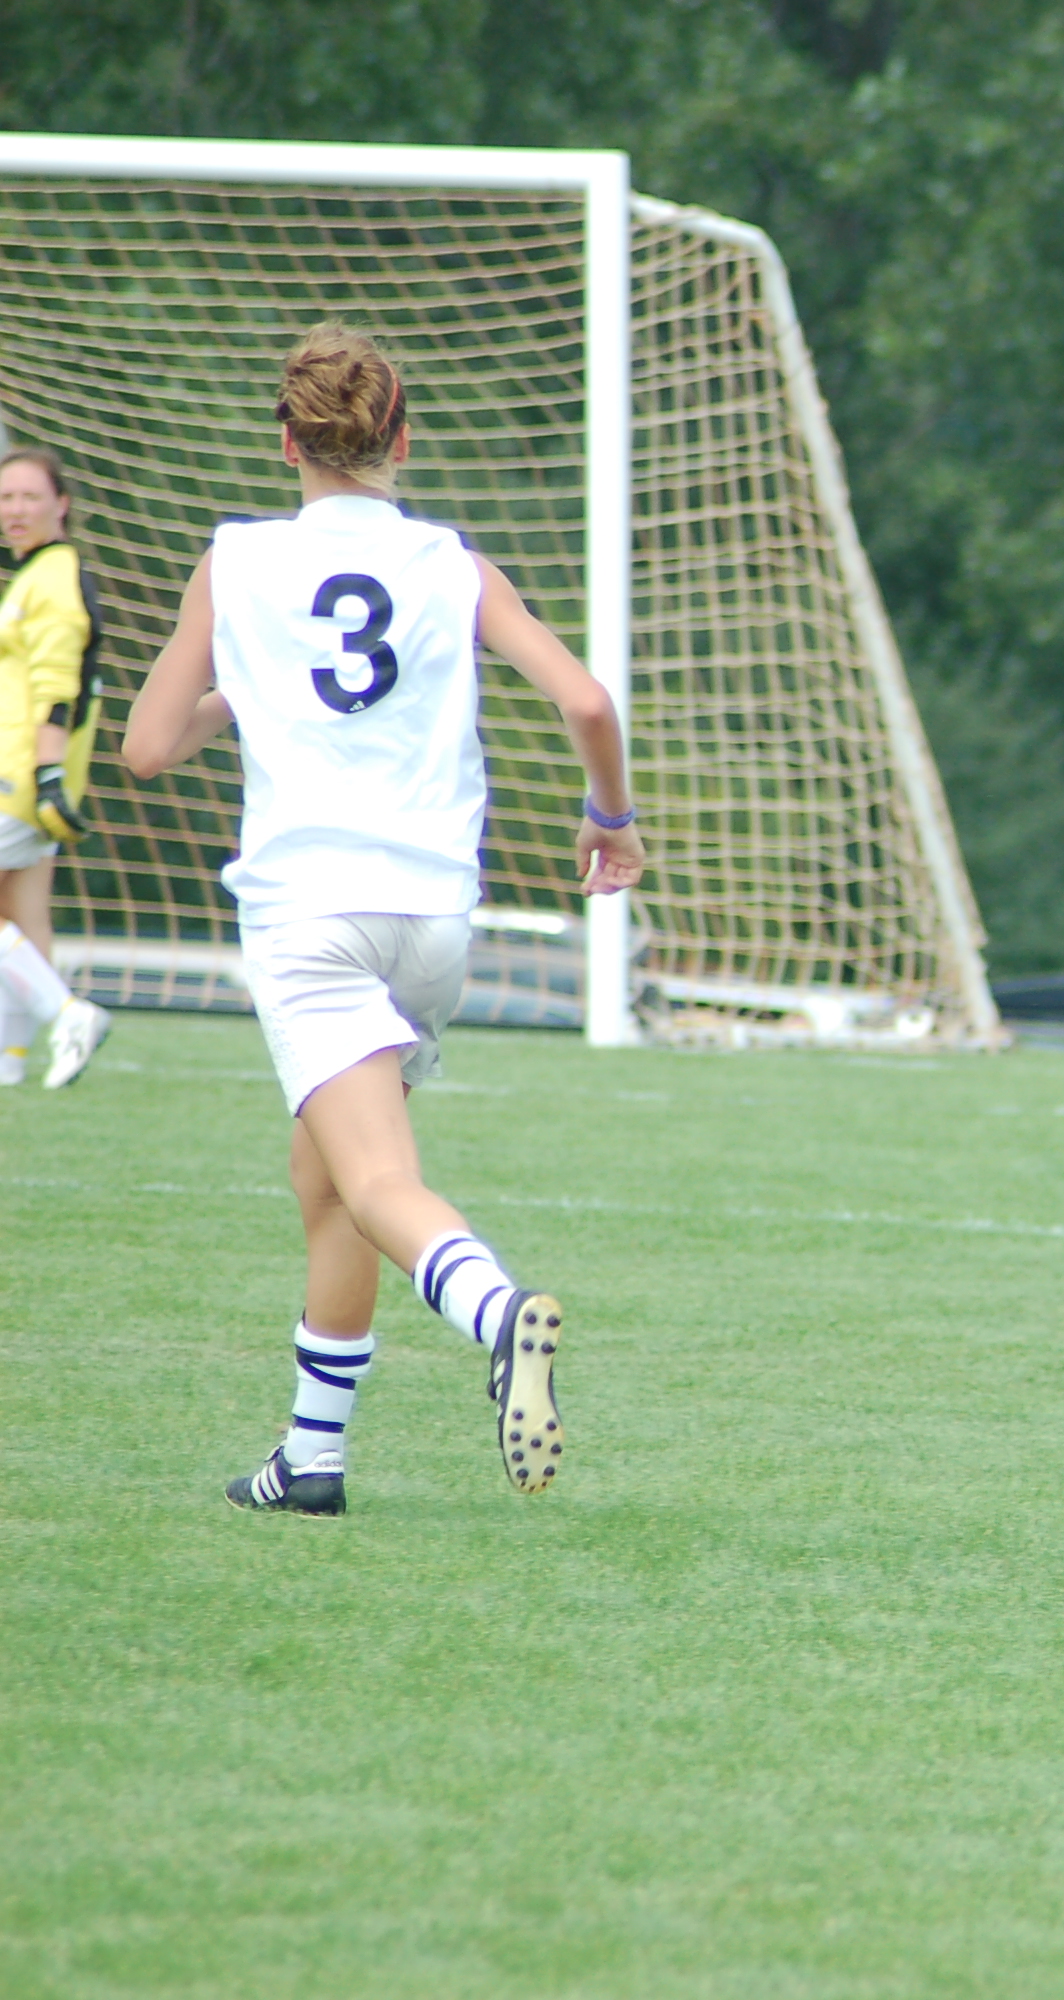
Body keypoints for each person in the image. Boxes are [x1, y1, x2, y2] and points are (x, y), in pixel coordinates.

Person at [122, 321, 645, 1515]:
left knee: (375, 1177)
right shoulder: (451, 564)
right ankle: (310, 1458)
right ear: (400, 438)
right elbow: (584, 699)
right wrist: (609, 818)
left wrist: (242, 688)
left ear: (287, 443)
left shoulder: (236, 560)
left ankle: (497, 1313)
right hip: (432, 919)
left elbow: (147, 748)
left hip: (311, 914)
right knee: (326, 1180)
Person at [0, 442, 115, 1087]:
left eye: (29, 497)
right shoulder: (34, 574)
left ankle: (68, 1014)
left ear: (62, 504)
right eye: (6, 497)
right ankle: (8, 1061)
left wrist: (46, 775)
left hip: (18, 776)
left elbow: (57, 683)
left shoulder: (55, 574)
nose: (15, 510)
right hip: (25, 773)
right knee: (22, 913)